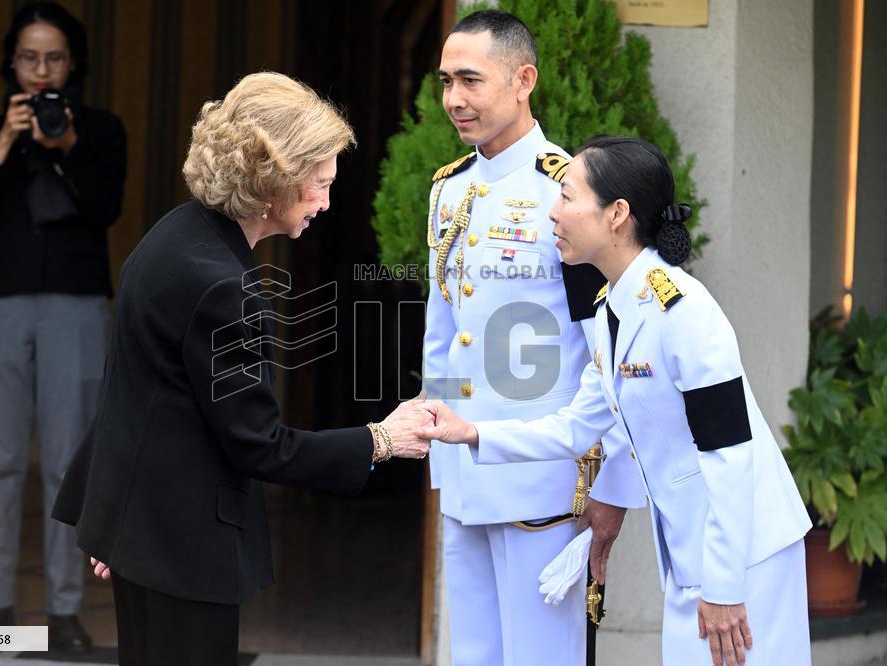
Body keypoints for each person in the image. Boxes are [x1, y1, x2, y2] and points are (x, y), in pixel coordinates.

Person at [51, 72, 431, 666]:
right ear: (272, 181)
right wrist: (383, 439)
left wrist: (115, 520)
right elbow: (260, 446)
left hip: (145, 536)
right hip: (182, 550)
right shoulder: (221, 286)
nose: (327, 203)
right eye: (318, 185)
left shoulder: (172, 236)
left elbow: (138, 393)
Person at [422, 136, 813, 666]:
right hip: (692, 549)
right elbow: (573, 427)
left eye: (567, 197)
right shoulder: (613, 310)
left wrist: (723, 586)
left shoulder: (683, 312)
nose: (552, 213)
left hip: (745, 552)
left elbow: (731, 454)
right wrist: (469, 432)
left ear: (617, 215)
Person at [423, 10, 645, 665]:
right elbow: (444, 331)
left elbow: (616, 349)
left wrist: (613, 489)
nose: (454, 99)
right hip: (465, 479)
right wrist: (441, 456)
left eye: (471, 79)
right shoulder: (449, 189)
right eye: (445, 82)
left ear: (524, 80)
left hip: (546, 485)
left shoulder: (569, 188)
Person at [0, 2, 126, 653]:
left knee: (66, 464)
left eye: (53, 58)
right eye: (29, 58)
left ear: (72, 62)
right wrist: (2, 146)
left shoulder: (101, 130)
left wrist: (68, 148)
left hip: (76, 303)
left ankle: (63, 614)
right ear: (13, 62)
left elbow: (106, 209)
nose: (41, 71)